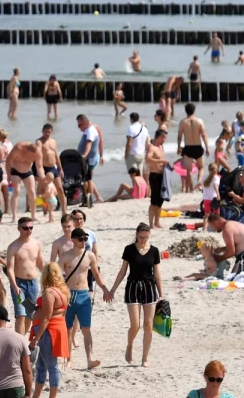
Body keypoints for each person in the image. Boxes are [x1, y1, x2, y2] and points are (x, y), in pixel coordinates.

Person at [107, 223, 162, 366]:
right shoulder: (129, 250)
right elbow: (123, 271)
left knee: (148, 324)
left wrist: (161, 293)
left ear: (149, 235)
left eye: (145, 237)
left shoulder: (154, 251)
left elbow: (157, 273)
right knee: (135, 325)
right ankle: (130, 345)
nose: (143, 240)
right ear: (136, 235)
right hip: (133, 287)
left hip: (149, 287)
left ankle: (145, 358)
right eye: (140, 237)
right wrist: (113, 289)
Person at [59, 228, 107, 370]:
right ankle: (68, 360)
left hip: (84, 295)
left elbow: (96, 275)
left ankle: (90, 359)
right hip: (68, 295)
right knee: (67, 328)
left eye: (85, 239)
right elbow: (57, 276)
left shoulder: (90, 256)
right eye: (80, 239)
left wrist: (105, 289)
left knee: (86, 328)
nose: (83, 242)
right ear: (73, 240)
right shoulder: (65, 257)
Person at [29, 263, 71, 398]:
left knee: (51, 366)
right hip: (57, 327)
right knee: (41, 366)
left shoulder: (49, 293)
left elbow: (46, 317)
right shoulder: (63, 291)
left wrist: (35, 338)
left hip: (49, 330)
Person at [5, 217, 43, 335]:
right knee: (20, 315)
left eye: (31, 228)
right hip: (19, 284)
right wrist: (14, 285)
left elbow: (41, 264)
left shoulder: (36, 243)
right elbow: (10, 269)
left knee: (29, 315)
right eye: (26, 228)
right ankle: (20, 342)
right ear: (19, 229)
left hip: (33, 284)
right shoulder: (13, 246)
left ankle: (22, 339)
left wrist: (49, 280)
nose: (29, 230)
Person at [5, 142, 42, 223]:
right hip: (15, 171)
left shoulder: (37, 152)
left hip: (28, 171)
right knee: (16, 191)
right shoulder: (18, 148)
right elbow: (8, 161)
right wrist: (8, 175)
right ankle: (14, 216)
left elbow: (39, 167)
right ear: (27, 150)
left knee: (32, 192)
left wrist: (42, 177)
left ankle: (33, 215)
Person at [176, 104, 208, 190]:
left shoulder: (182, 122)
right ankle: (199, 183)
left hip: (188, 147)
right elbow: (204, 135)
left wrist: (178, 147)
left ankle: (191, 189)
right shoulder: (199, 121)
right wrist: (207, 147)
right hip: (198, 146)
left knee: (188, 170)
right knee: (201, 167)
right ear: (194, 110)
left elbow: (179, 136)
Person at [76, 114, 104, 205]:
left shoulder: (91, 131)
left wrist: (84, 155)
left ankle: (89, 199)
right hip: (90, 158)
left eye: (80, 125)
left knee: (87, 180)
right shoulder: (89, 129)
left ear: (85, 123)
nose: (78, 127)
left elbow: (89, 144)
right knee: (88, 179)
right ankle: (93, 198)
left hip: (89, 159)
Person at [146, 129, 169, 228]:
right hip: (154, 175)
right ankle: (151, 223)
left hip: (162, 175)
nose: (165, 140)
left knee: (160, 200)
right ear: (160, 137)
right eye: (164, 138)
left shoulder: (161, 147)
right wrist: (160, 161)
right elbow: (148, 159)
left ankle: (157, 222)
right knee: (154, 200)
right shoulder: (152, 147)